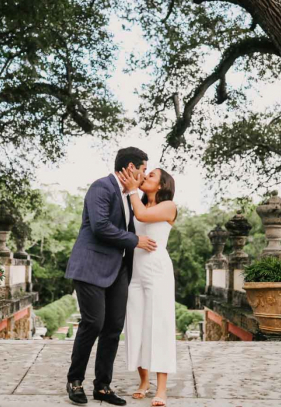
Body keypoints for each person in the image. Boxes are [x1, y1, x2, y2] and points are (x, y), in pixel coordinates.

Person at [65, 147, 157, 406]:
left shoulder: (130, 197)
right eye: (143, 170)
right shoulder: (101, 187)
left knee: (113, 328)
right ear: (130, 167)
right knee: (93, 323)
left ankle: (102, 386)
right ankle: (75, 380)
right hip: (91, 267)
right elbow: (101, 226)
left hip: (118, 271)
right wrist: (136, 240)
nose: (144, 174)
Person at [117, 166, 178, 407]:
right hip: (136, 272)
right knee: (136, 325)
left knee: (159, 326)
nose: (145, 177)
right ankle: (143, 382)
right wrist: (129, 188)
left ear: (162, 185)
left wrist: (132, 189)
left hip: (158, 271)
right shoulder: (136, 203)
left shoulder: (168, 206)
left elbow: (141, 216)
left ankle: (161, 388)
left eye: (151, 175)